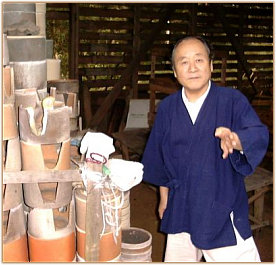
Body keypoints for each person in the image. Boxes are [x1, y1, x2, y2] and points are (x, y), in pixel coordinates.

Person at [141, 36, 269, 262]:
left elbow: (257, 133)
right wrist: (164, 199)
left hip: (220, 205)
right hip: (181, 206)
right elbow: (159, 158)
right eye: (184, 62)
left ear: (210, 65)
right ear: (175, 71)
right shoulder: (168, 108)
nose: (192, 68)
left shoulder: (232, 100)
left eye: (199, 60)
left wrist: (236, 140)